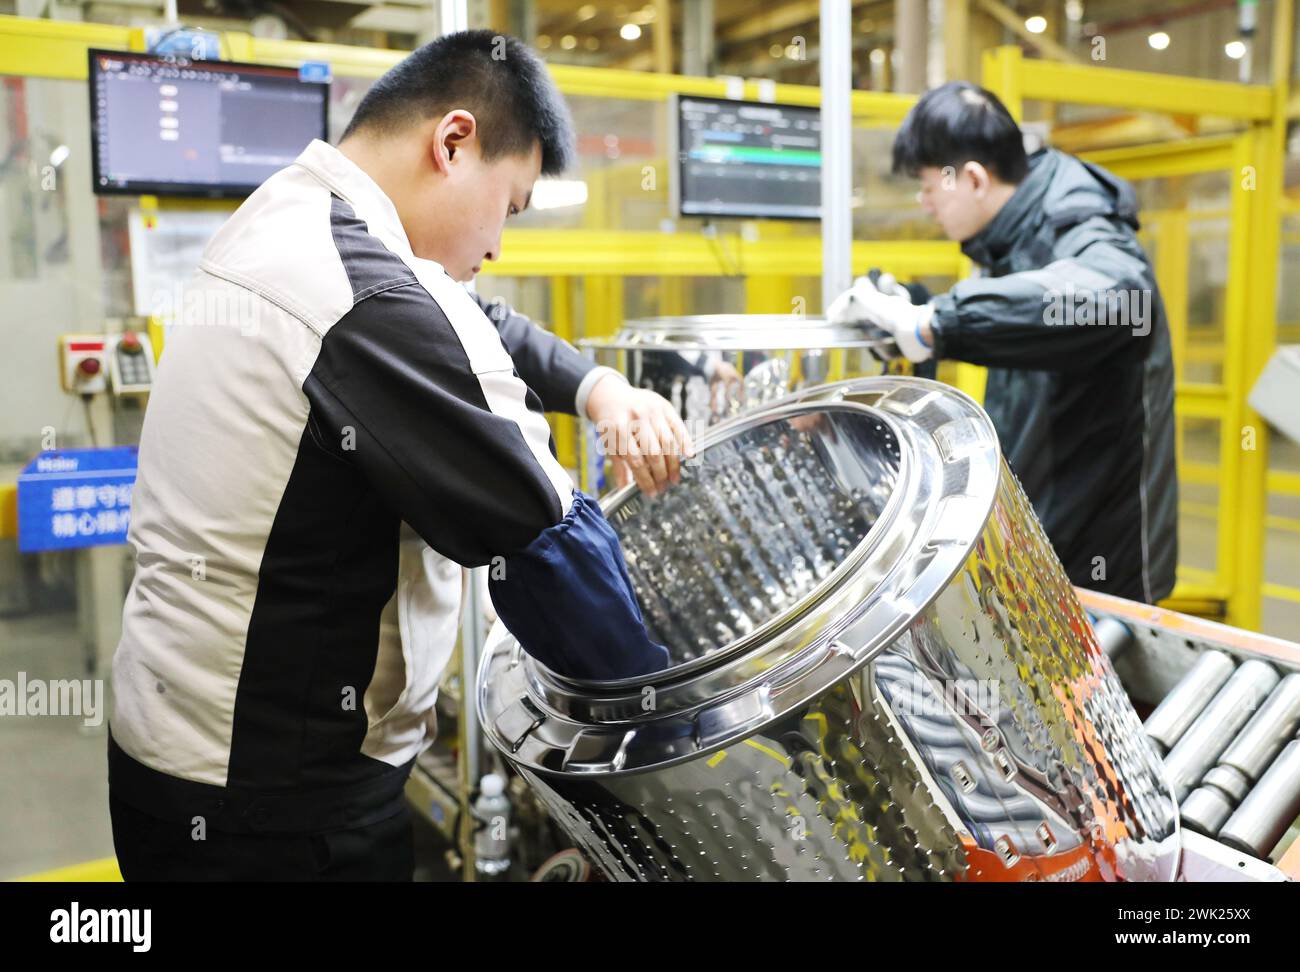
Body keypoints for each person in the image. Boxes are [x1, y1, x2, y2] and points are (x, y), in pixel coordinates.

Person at [108, 30, 687, 881]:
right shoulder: (363, 295)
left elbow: (477, 320)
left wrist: (599, 387)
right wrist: (683, 752)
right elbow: (552, 549)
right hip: (274, 812)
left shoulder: (293, 215)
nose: (497, 248)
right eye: (510, 206)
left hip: (177, 764)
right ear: (453, 143)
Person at [830, 81, 1176, 605]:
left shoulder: (1076, 219)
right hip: (1048, 544)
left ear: (971, 178)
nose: (924, 205)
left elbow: (1124, 298)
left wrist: (934, 324)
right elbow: (1023, 321)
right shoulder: (1013, 237)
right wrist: (908, 307)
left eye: (928, 188)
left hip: (1106, 567)